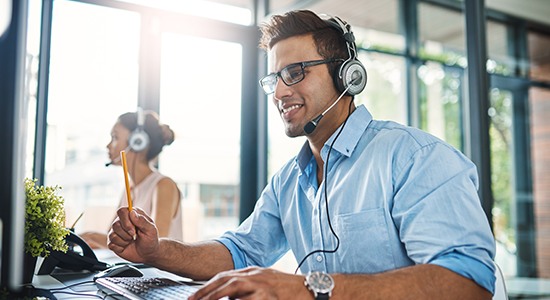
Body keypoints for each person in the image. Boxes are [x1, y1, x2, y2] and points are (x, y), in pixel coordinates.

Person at [107, 10, 496, 300]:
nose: (278, 93)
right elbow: (240, 251)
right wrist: (158, 251)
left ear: (347, 76)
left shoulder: (415, 157)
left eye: (295, 73)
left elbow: (468, 281)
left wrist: (311, 288)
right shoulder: (289, 180)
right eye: (275, 78)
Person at [81, 109, 183, 249]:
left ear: (137, 142)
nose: (108, 145)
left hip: (158, 271)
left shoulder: (164, 185)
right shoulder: (130, 188)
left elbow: (156, 245)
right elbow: (112, 240)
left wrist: (90, 236)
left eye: (115, 137)